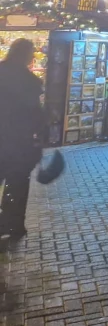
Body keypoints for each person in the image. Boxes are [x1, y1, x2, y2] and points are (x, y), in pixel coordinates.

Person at [0, 39, 46, 239]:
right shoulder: (29, 82)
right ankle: (13, 222)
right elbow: (34, 113)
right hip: (18, 140)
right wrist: (40, 136)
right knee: (17, 183)